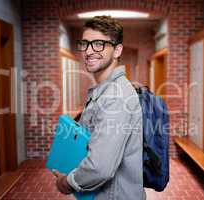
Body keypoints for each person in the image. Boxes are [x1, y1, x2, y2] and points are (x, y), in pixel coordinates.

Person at [53, 15, 145, 200]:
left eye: (98, 44)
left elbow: (100, 168)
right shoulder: (103, 91)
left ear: (117, 50)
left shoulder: (116, 96)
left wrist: (67, 183)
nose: (88, 51)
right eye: (85, 44)